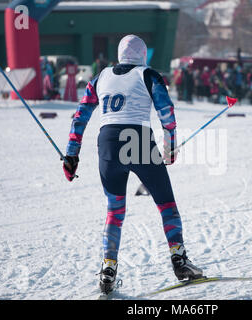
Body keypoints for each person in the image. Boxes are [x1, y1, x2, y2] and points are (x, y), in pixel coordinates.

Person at [62, 35, 203, 295]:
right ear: (142, 55)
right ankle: (180, 261)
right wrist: (170, 146)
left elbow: (81, 115)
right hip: (137, 139)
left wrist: (72, 155)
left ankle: (108, 267)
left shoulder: (100, 76)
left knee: (114, 211)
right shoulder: (148, 74)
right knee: (166, 205)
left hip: (107, 142)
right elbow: (167, 112)